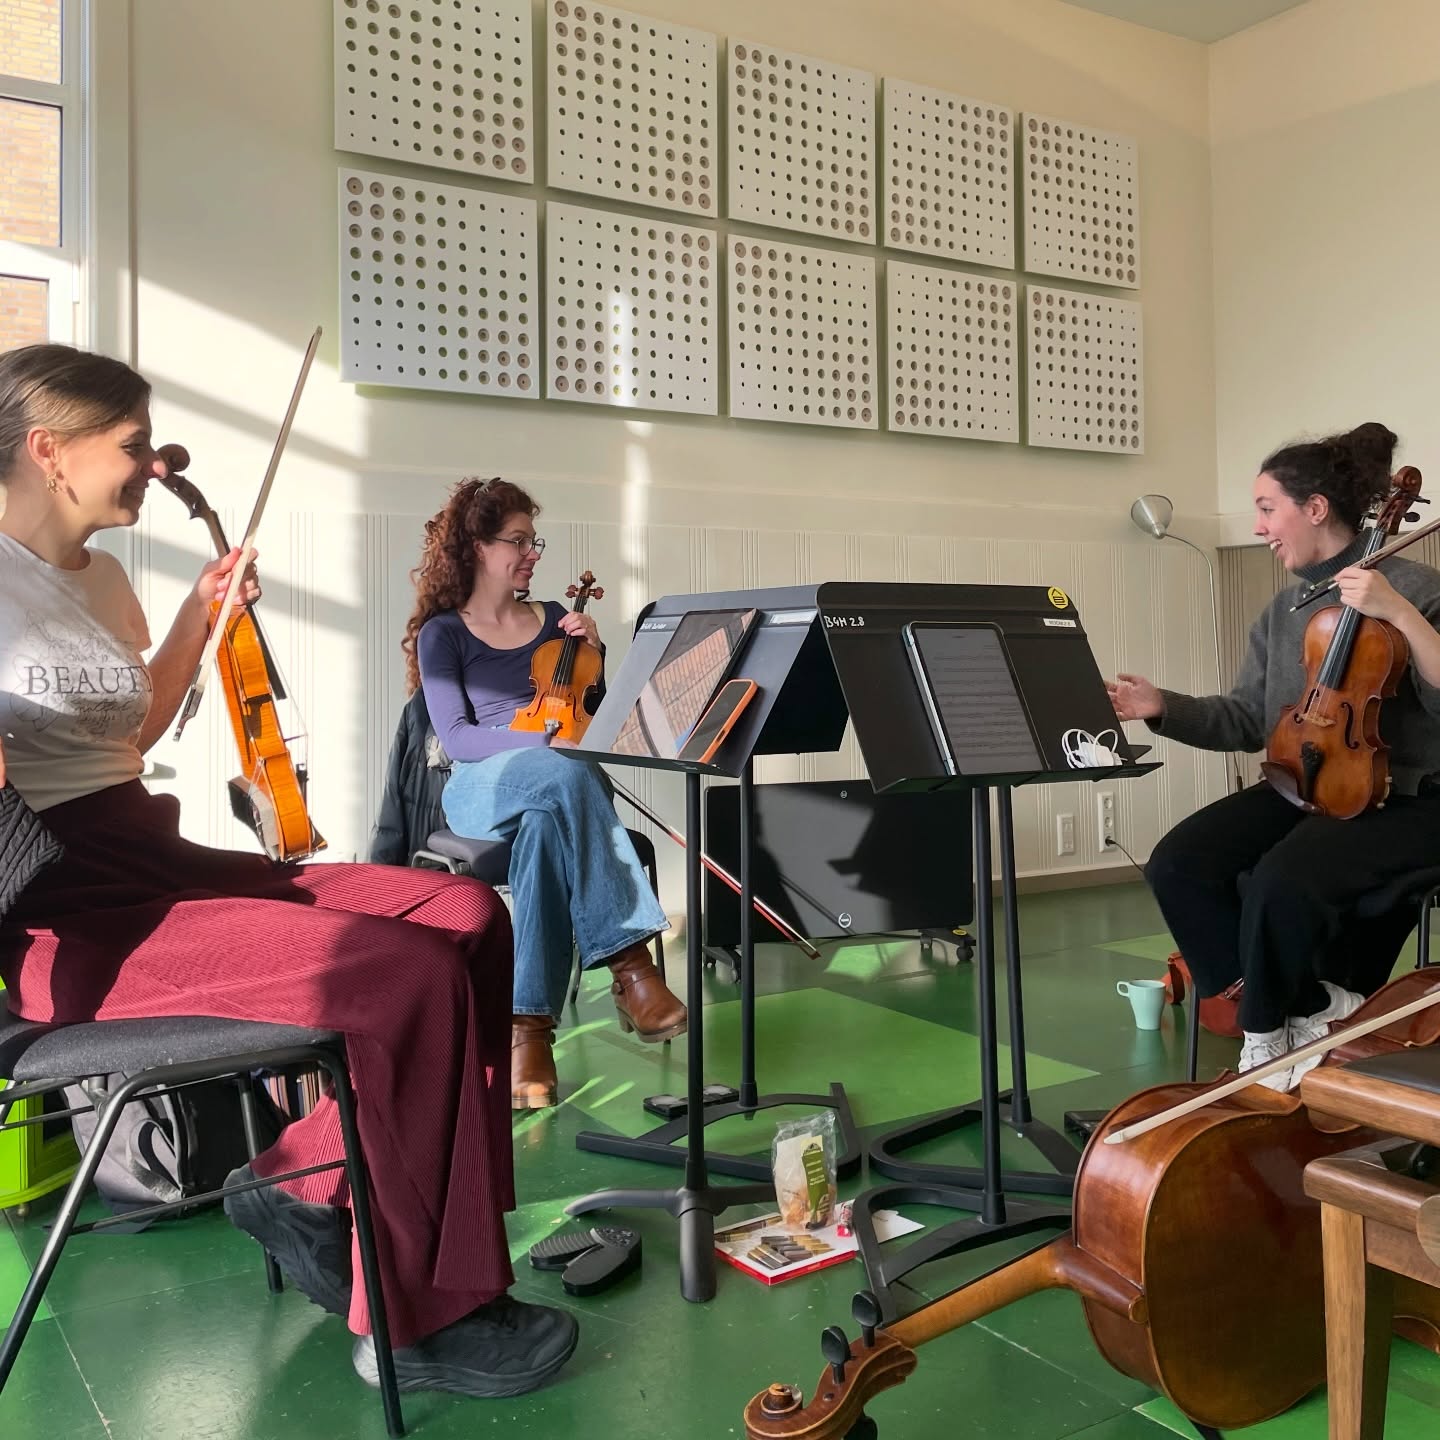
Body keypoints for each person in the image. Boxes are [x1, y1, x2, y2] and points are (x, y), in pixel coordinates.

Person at [0, 344, 578, 1399]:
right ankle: (415, 1321)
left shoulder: (108, 576)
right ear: (50, 451)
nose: (148, 466)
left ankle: (299, 1182)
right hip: (65, 910)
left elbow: (131, 730)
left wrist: (195, 616)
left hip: (150, 848)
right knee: (392, 974)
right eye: (130, 446)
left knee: (463, 913)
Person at [1108, 421, 1440, 1092]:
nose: (1260, 526)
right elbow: (1247, 720)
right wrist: (1162, 706)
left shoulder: (1417, 589)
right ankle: (1310, 1006)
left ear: (1315, 508)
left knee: (1281, 877)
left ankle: (1265, 1040)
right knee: (1180, 862)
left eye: (1267, 508)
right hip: (1307, 781)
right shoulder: (1283, 610)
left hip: (1407, 795)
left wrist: (1402, 616)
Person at [403, 478, 682, 1111]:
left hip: (551, 789)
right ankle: (632, 966)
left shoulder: (558, 619)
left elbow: (599, 720)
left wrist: (598, 654)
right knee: (564, 773)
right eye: (518, 541)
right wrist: (534, 741)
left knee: (545, 829)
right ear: (477, 547)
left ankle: (528, 1031)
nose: (533, 553)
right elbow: (459, 738)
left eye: (535, 541)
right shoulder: (444, 634)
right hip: (481, 786)